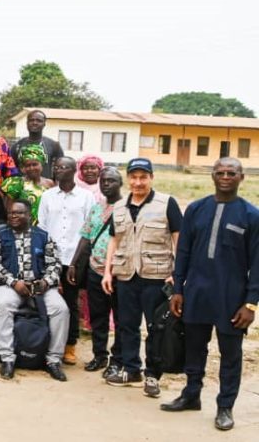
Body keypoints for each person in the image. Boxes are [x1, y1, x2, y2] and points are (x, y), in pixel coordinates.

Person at [164, 158, 259, 431]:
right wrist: (178, 290)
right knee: (194, 348)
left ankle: (225, 406)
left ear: (242, 177)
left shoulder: (251, 215)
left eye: (231, 173)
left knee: (231, 354)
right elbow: (183, 252)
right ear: (213, 176)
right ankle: (191, 394)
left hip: (232, 297)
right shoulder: (196, 209)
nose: (225, 177)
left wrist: (251, 304)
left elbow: (257, 264)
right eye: (220, 172)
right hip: (196, 292)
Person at [103, 158, 182, 398]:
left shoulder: (166, 203)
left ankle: (152, 375)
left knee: (156, 327)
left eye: (143, 177)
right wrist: (107, 271)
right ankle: (131, 369)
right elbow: (114, 240)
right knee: (127, 326)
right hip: (126, 275)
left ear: (151, 178)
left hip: (157, 277)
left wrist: (177, 273)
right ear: (128, 179)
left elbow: (178, 239)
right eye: (134, 177)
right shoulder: (119, 207)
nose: (138, 182)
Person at [0, 199, 69, 381]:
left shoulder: (44, 236)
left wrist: (46, 282)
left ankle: (53, 360)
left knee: (60, 309)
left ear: (29, 215)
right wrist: (14, 282)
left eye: (18, 213)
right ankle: (7, 358)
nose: (13, 216)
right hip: (11, 285)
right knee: (4, 305)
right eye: (11, 213)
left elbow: (55, 264)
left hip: (40, 287)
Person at [67, 166, 123, 375]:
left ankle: (118, 358)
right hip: (95, 269)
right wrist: (73, 263)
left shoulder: (127, 208)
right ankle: (100, 355)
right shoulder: (97, 208)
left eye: (111, 180)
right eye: (103, 181)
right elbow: (85, 236)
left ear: (120, 184)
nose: (106, 184)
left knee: (121, 318)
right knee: (98, 316)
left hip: (120, 272)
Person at [38, 156, 94, 366]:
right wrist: (44, 257)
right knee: (47, 299)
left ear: (74, 171)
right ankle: (47, 342)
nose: (58, 170)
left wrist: (75, 263)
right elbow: (42, 227)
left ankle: (69, 345)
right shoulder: (48, 196)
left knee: (71, 303)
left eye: (64, 167)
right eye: (57, 167)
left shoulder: (86, 197)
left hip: (74, 258)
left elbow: (88, 229)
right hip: (50, 258)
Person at [0, 144, 54, 221]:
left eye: (35, 164)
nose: (31, 168)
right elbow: (10, 210)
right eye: (28, 165)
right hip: (22, 226)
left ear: (41, 164)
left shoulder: (49, 184)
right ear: (24, 168)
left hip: (44, 225)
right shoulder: (16, 183)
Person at [10, 110, 64, 180]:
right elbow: (11, 170)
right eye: (31, 120)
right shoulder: (17, 146)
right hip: (22, 186)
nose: (34, 123)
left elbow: (61, 171)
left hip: (46, 186)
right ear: (27, 123)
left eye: (39, 121)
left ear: (44, 124)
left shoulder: (54, 145)